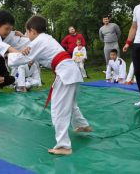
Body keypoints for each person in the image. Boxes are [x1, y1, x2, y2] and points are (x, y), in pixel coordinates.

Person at [8, 15, 92, 155]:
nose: (27, 35)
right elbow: (28, 42)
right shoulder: (46, 38)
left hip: (65, 73)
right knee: (70, 103)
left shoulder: (38, 42)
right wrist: (22, 35)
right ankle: (82, 125)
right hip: (71, 71)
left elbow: (21, 58)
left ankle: (64, 146)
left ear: (33, 31)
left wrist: (8, 51)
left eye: (27, 32)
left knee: (58, 109)